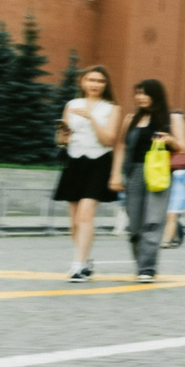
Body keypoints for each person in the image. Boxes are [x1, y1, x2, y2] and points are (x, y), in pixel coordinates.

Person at [109, 79, 185, 284]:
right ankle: (141, 264)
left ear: (156, 95)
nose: (140, 97)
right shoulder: (130, 119)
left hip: (159, 172)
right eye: (137, 93)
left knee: (153, 221)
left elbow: (183, 148)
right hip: (134, 173)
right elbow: (121, 147)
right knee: (134, 225)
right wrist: (116, 174)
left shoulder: (172, 118)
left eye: (144, 93)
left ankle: (147, 268)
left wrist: (170, 140)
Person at [54, 64, 124, 283]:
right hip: (74, 161)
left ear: (106, 85)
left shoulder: (112, 108)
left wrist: (91, 117)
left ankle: (77, 265)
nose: (95, 84)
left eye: (100, 81)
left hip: (99, 162)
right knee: (74, 221)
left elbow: (108, 140)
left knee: (85, 215)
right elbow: (62, 140)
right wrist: (62, 136)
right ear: (82, 82)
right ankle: (84, 261)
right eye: (90, 80)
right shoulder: (71, 105)